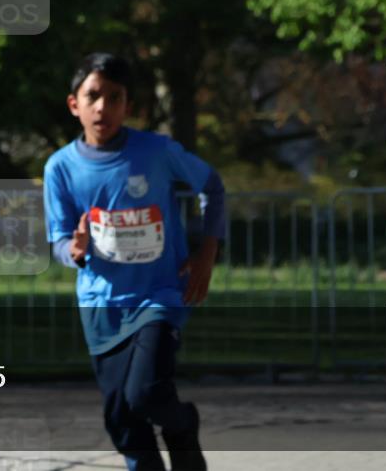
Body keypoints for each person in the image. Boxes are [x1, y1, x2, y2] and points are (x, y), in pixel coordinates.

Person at [43, 53, 225, 471]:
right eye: (93, 96)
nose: (102, 107)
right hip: (101, 305)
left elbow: (212, 185)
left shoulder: (156, 151)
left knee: (145, 394)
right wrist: (74, 250)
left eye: (114, 96)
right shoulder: (60, 168)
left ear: (129, 105)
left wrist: (206, 255)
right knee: (122, 419)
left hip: (159, 295)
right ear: (75, 104)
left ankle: (182, 426)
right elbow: (57, 240)